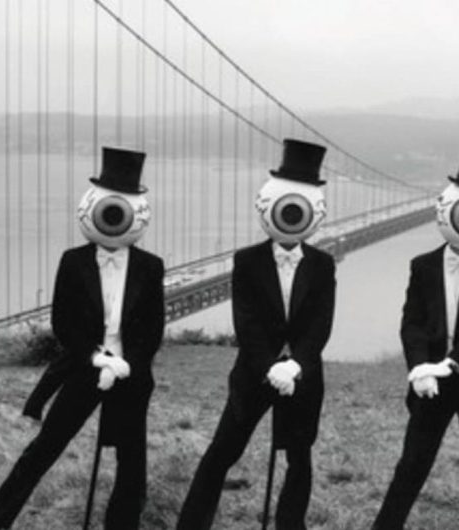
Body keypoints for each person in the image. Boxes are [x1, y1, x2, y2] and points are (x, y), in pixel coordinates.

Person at [0, 147, 166, 530]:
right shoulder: (73, 260)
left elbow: (153, 328)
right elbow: (63, 322)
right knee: (46, 446)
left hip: (130, 375)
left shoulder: (151, 268)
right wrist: (97, 359)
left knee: (132, 459)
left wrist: (124, 363)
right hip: (85, 370)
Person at [176, 138, 336, 530]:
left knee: (299, 459)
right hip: (252, 374)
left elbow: (320, 324)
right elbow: (245, 323)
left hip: (303, 378)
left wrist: (296, 364)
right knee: (222, 452)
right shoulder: (247, 260)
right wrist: (270, 366)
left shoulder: (322, 264)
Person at [372, 143, 459, 530]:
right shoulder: (423, 266)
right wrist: (420, 368)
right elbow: (411, 323)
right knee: (411, 465)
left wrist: (447, 365)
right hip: (429, 383)